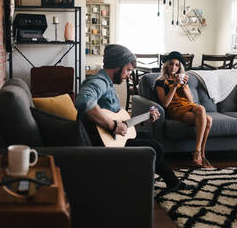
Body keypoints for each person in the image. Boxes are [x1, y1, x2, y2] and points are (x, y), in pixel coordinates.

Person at [75, 44, 192, 191]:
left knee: (148, 136)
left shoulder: (108, 83)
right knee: (155, 147)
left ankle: (170, 182)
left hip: (110, 138)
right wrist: (112, 126)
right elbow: (83, 101)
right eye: (128, 70)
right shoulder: (100, 82)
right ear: (117, 65)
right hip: (99, 144)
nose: (129, 74)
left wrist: (146, 116)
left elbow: (118, 118)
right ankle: (142, 185)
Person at [155, 51, 213, 168]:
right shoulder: (160, 82)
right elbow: (165, 103)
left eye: (177, 65)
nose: (173, 67)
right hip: (175, 110)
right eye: (171, 64)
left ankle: (200, 155)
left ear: (179, 68)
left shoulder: (182, 80)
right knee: (206, 116)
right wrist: (175, 86)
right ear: (166, 65)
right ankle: (199, 153)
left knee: (208, 118)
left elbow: (191, 102)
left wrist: (185, 86)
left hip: (188, 107)